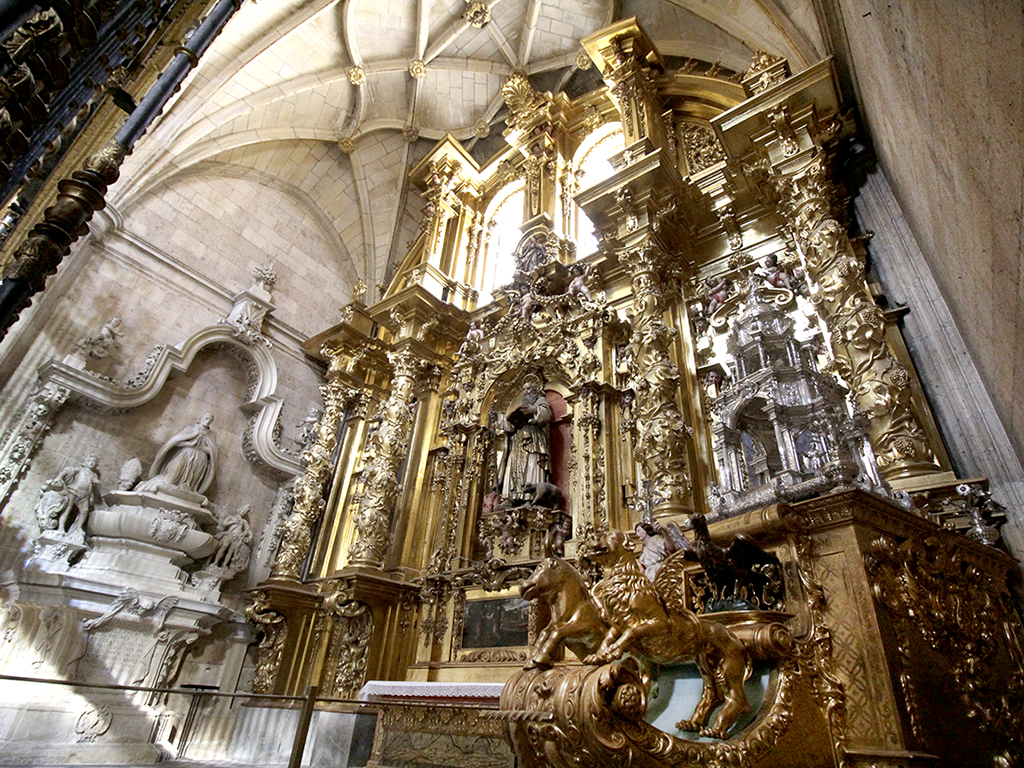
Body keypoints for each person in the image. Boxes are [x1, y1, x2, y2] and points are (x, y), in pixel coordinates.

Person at [495, 378, 552, 500]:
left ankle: (530, 497)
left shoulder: (540, 400)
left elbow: (546, 415)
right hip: (519, 438)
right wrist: (498, 418)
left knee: (532, 463)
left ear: (535, 390)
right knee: (513, 464)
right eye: (524, 389)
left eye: (529, 388)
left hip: (533, 437)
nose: (526, 391)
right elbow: (510, 427)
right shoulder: (520, 405)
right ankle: (511, 497)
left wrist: (535, 410)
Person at [138, 413, 217, 496]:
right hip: (184, 455)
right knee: (171, 478)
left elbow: (213, 452)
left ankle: (186, 488)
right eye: (206, 418)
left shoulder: (211, 436)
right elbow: (175, 442)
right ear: (201, 418)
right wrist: (188, 444)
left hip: (199, 460)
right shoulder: (190, 429)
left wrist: (204, 449)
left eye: (210, 421)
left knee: (188, 485)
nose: (207, 421)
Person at [35, 455, 102, 535]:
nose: (91, 463)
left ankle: (78, 528)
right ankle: (61, 527)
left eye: (93, 462)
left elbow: (96, 488)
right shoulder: (81, 469)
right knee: (67, 508)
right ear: (85, 462)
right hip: (74, 491)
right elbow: (68, 471)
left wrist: (96, 485)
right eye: (89, 461)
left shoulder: (94, 475)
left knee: (84, 511)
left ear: (96, 464)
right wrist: (59, 477)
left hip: (85, 495)